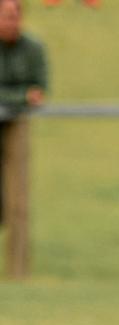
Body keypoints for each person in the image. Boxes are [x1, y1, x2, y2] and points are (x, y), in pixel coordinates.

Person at [0, 0, 45, 225]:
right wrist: (20, 96)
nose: (13, 22)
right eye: (7, 16)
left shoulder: (33, 48)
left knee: (18, 204)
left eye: (16, 16)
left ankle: (17, 261)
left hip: (17, 124)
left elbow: (39, 92)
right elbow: (28, 95)